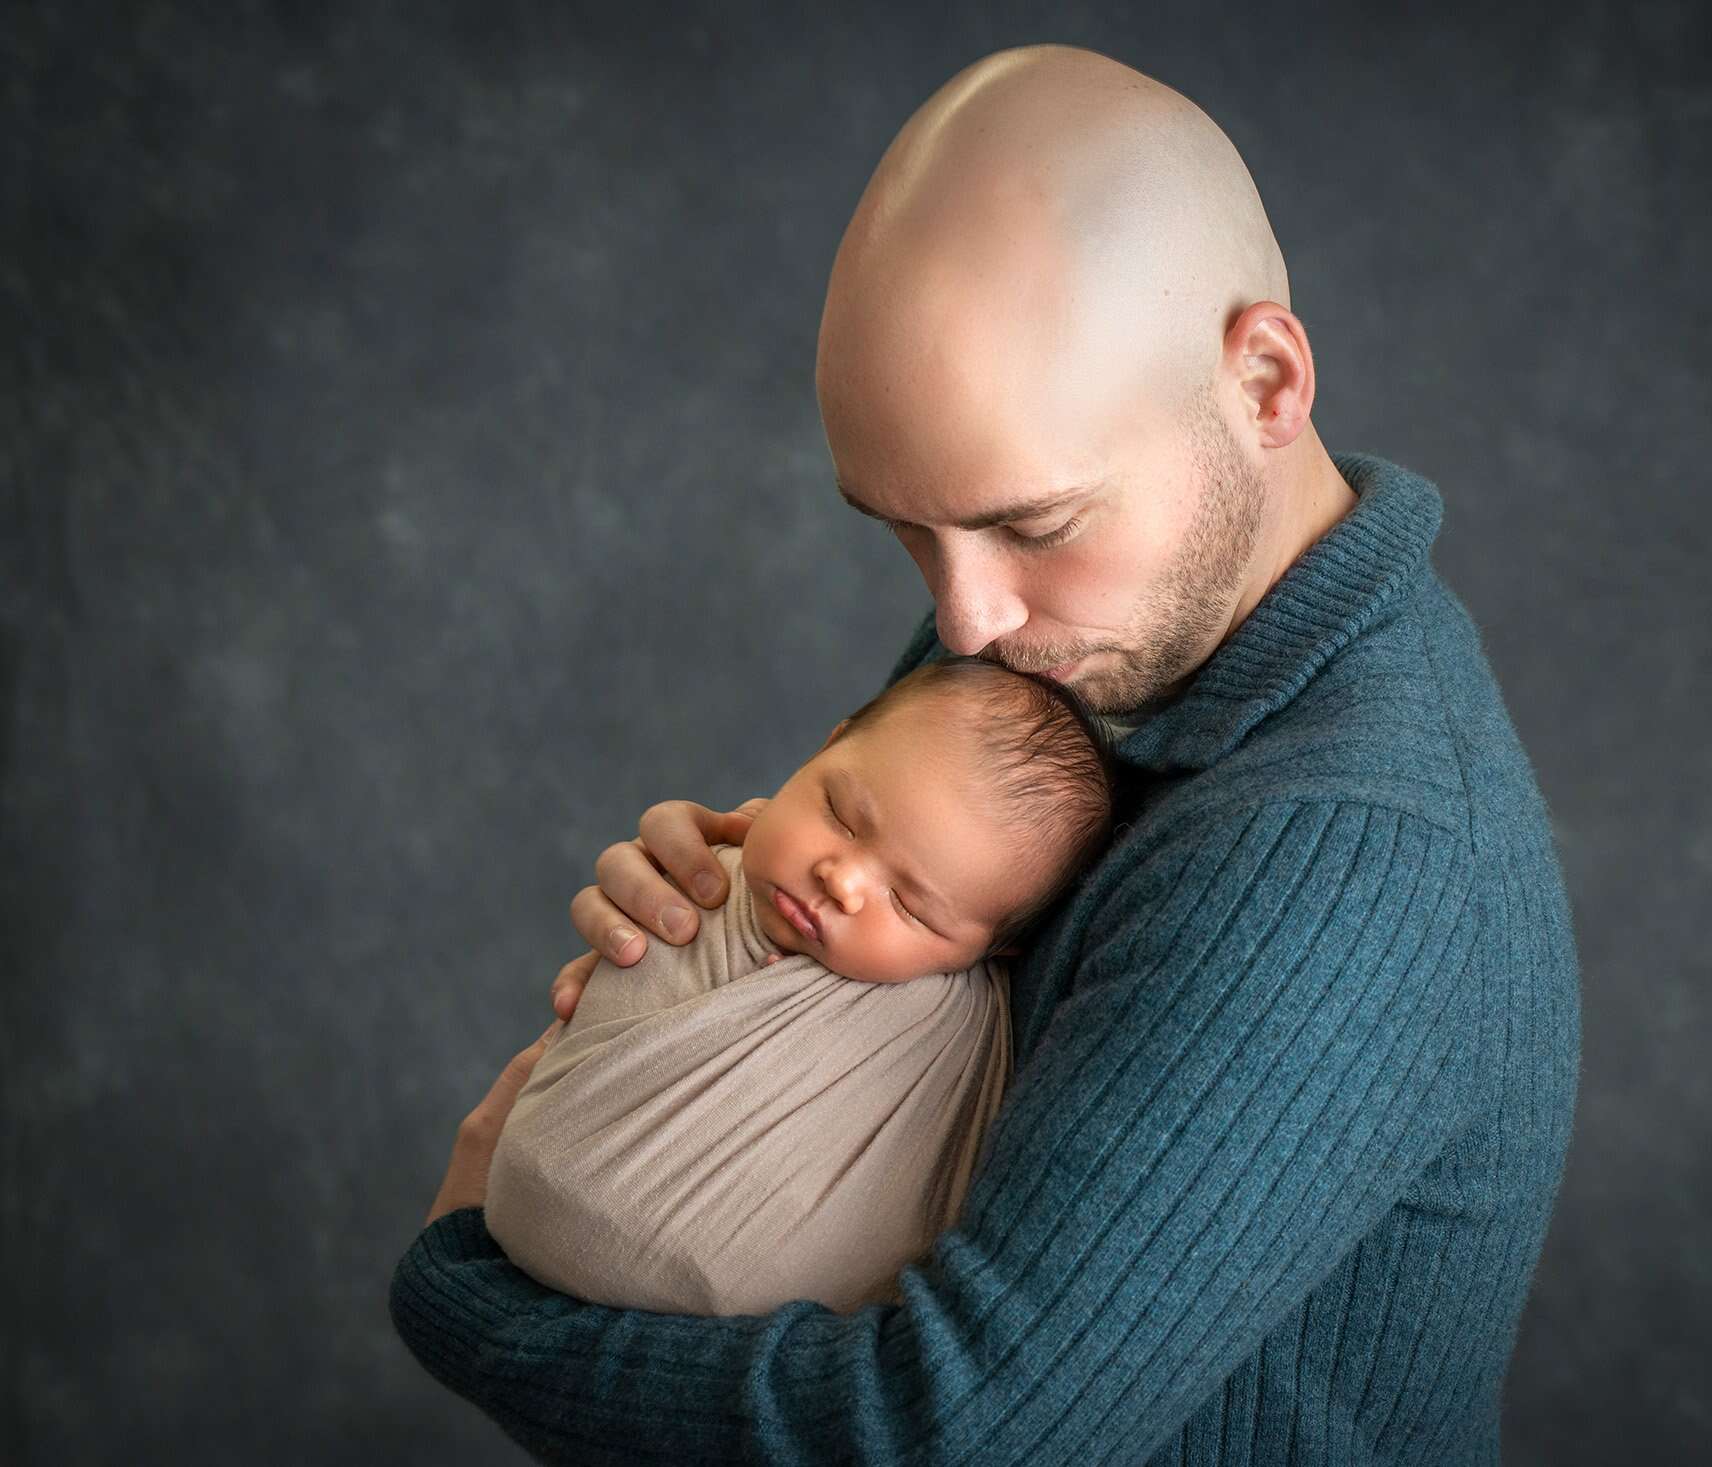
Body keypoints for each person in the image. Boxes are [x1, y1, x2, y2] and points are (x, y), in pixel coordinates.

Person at [392, 42, 1581, 1466]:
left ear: (1264, 381)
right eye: (905, 528)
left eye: (1030, 523)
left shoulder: (1353, 846)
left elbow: (945, 1434)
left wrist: (468, 1283)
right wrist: (712, 956)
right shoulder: (1070, 645)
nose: (965, 614)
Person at [483, 657, 1117, 1318]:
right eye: (842, 816)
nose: (841, 880)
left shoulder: (945, 1030)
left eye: (909, 904)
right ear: (828, 743)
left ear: (995, 950)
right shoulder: (700, 881)